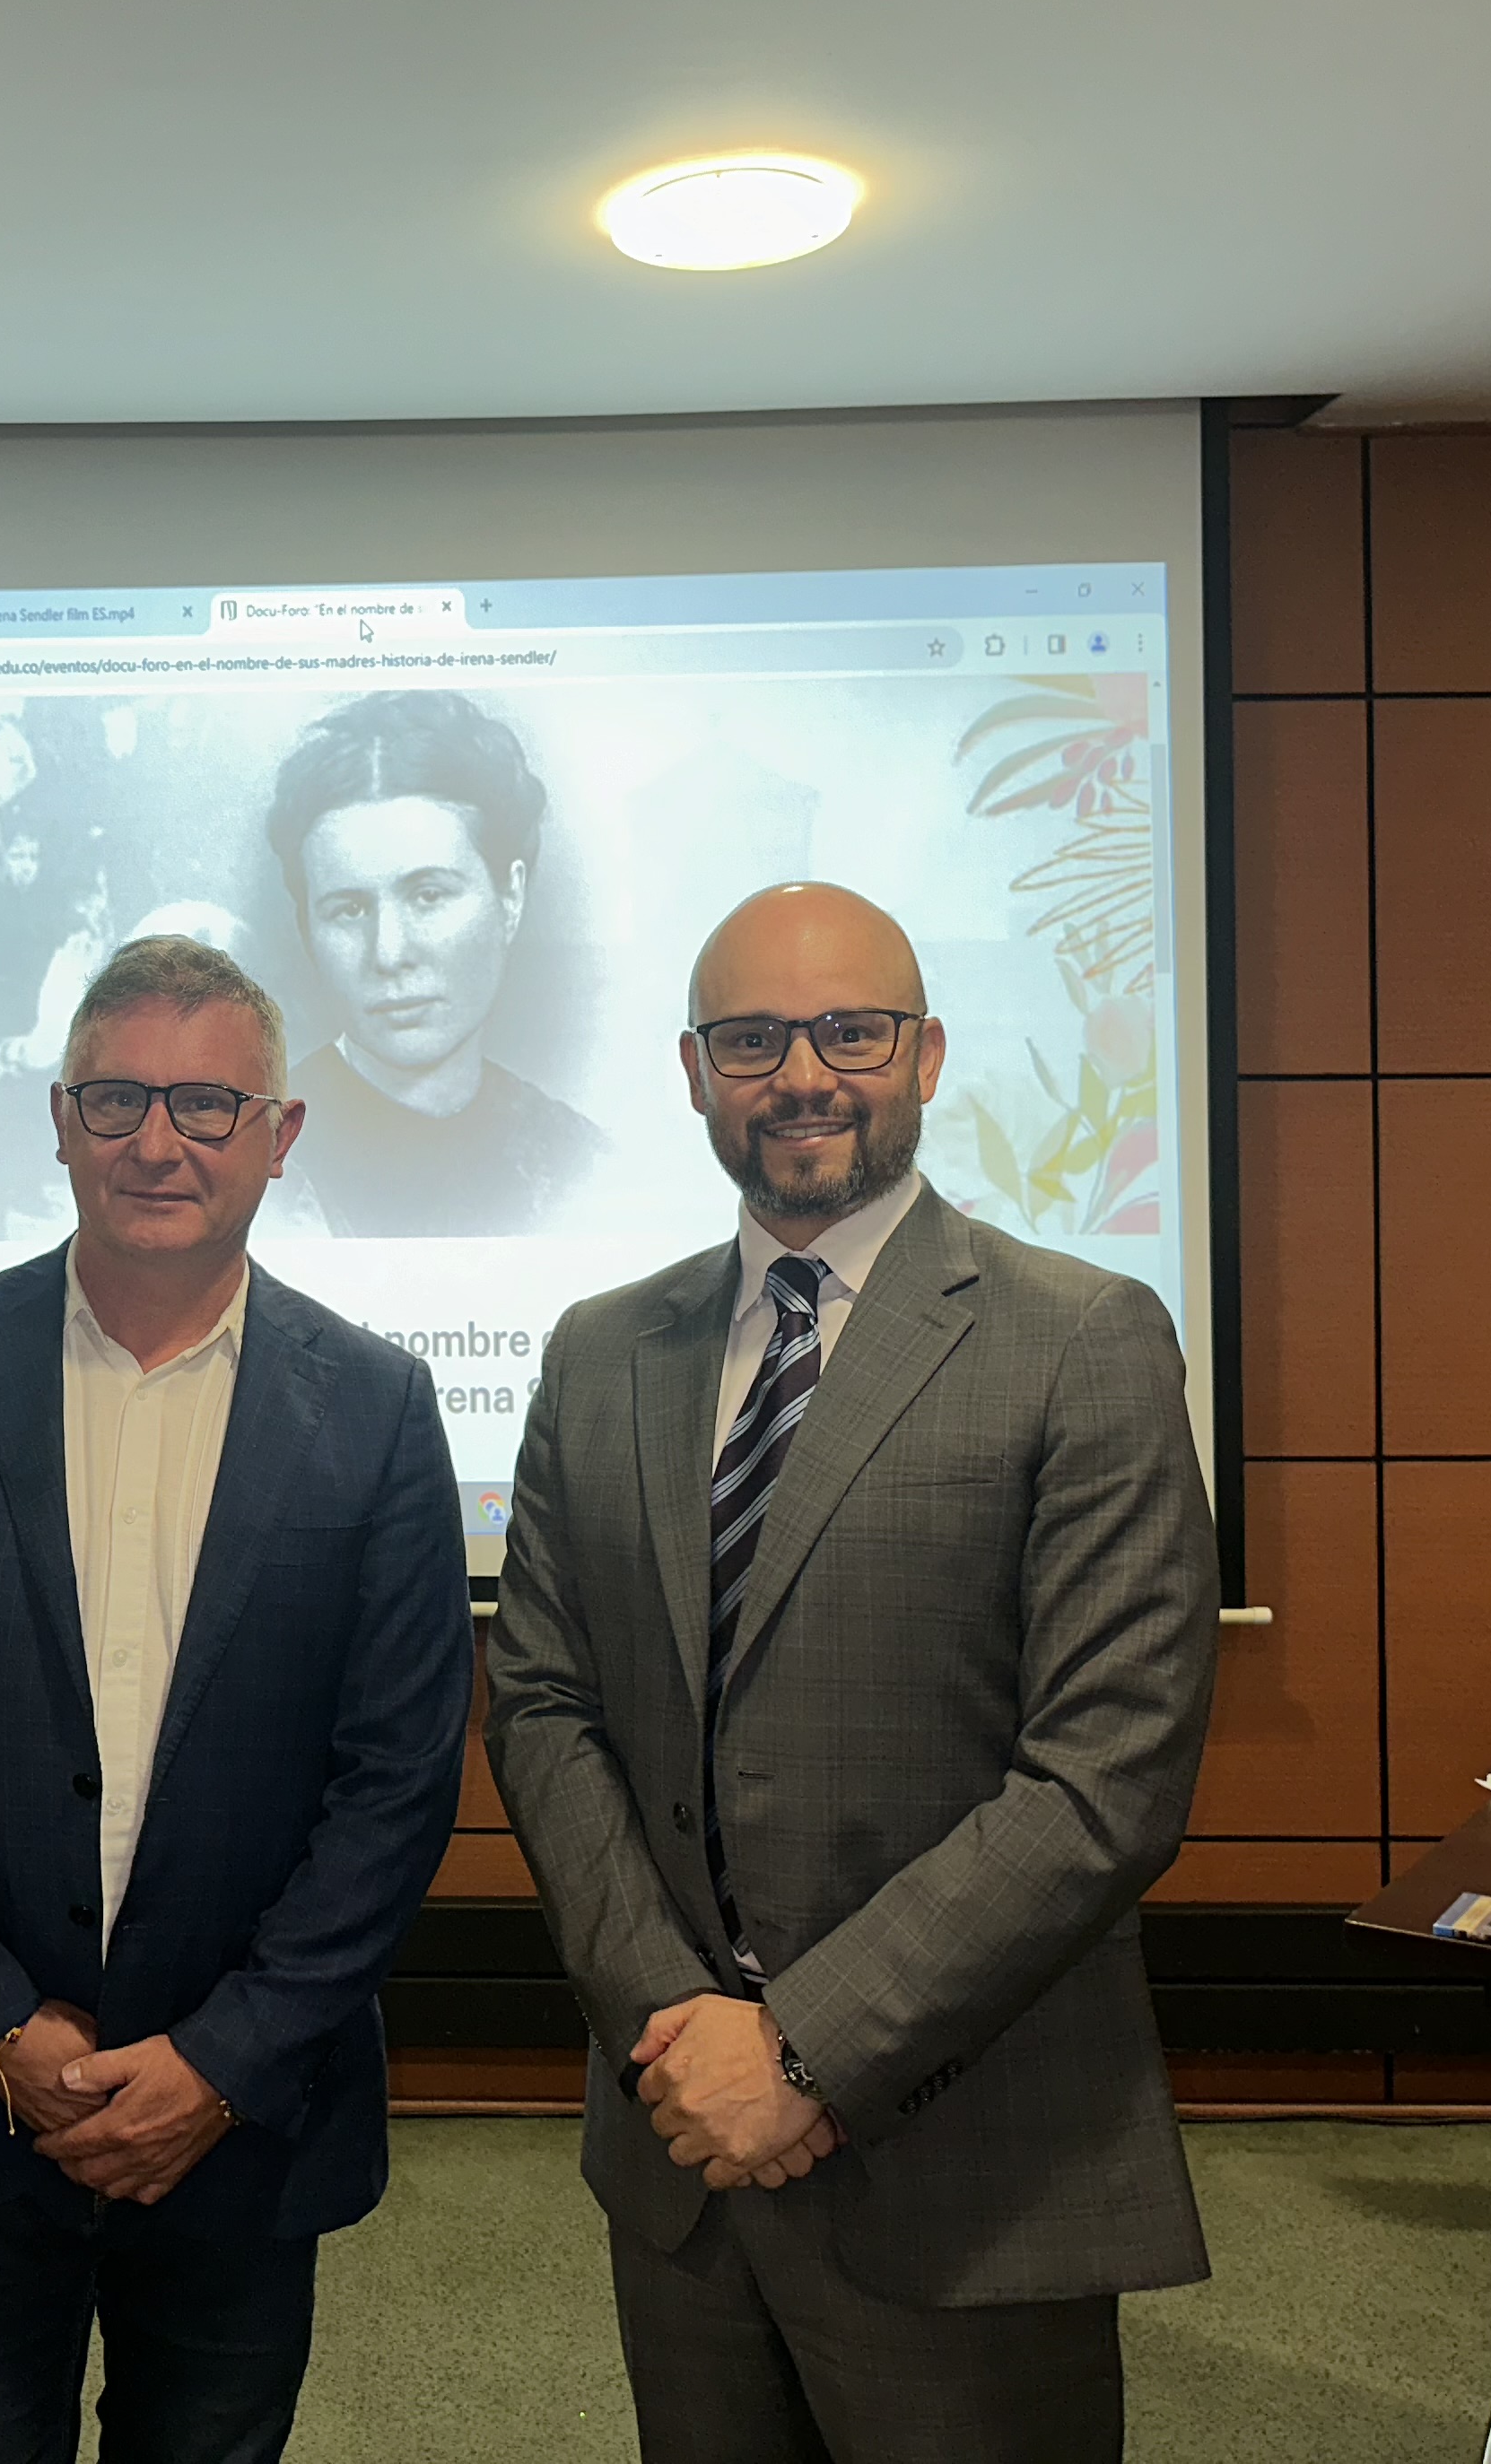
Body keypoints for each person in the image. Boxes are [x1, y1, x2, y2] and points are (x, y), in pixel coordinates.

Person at [484, 883, 1216, 2464]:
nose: (803, 1074)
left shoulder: (1080, 1338)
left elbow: (1107, 1774)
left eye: (851, 1032)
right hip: (681, 2148)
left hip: (966, 2167)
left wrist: (802, 2051)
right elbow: (542, 1701)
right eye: (752, 1038)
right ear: (694, 1071)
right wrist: (677, 2026)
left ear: (927, 1054)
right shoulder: (599, 1351)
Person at [0, 932, 475, 2462]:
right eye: (115, 1099)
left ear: (279, 1133)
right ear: (59, 1121)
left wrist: (222, 2060)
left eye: (206, 1103)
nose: (157, 1142)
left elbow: (395, 1781)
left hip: (241, 2121)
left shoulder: (376, 1408)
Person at [262, 689, 606, 1235]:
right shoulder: (253, 1159)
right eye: (349, 909)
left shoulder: (583, 1165)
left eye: (428, 896)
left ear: (510, 897)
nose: (388, 953)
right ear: (307, 927)